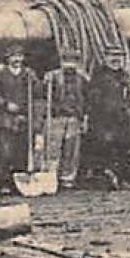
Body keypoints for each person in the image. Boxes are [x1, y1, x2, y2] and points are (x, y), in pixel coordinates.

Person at [84, 52, 130, 189]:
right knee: (107, 147)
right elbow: (92, 97)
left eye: (119, 57)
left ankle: (120, 177)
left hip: (122, 118)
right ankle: (108, 177)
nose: (116, 60)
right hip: (104, 119)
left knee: (127, 146)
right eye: (112, 56)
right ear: (105, 58)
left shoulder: (123, 75)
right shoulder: (99, 76)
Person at [0, 45, 37, 194]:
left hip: (23, 117)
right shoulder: (0, 74)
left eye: (19, 56)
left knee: (21, 150)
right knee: (4, 152)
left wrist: (35, 81)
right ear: (8, 58)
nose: (17, 59)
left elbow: (37, 93)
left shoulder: (28, 74)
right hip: (5, 118)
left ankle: (19, 182)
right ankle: (3, 182)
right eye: (13, 56)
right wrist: (5, 104)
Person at [43, 49, 89, 189]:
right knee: (53, 147)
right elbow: (43, 94)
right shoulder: (53, 77)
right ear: (61, 62)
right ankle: (50, 177)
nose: (69, 65)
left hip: (74, 118)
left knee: (71, 148)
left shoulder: (82, 78)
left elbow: (86, 99)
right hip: (57, 117)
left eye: (72, 62)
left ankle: (67, 178)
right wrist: (45, 83)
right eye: (66, 62)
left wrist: (84, 116)